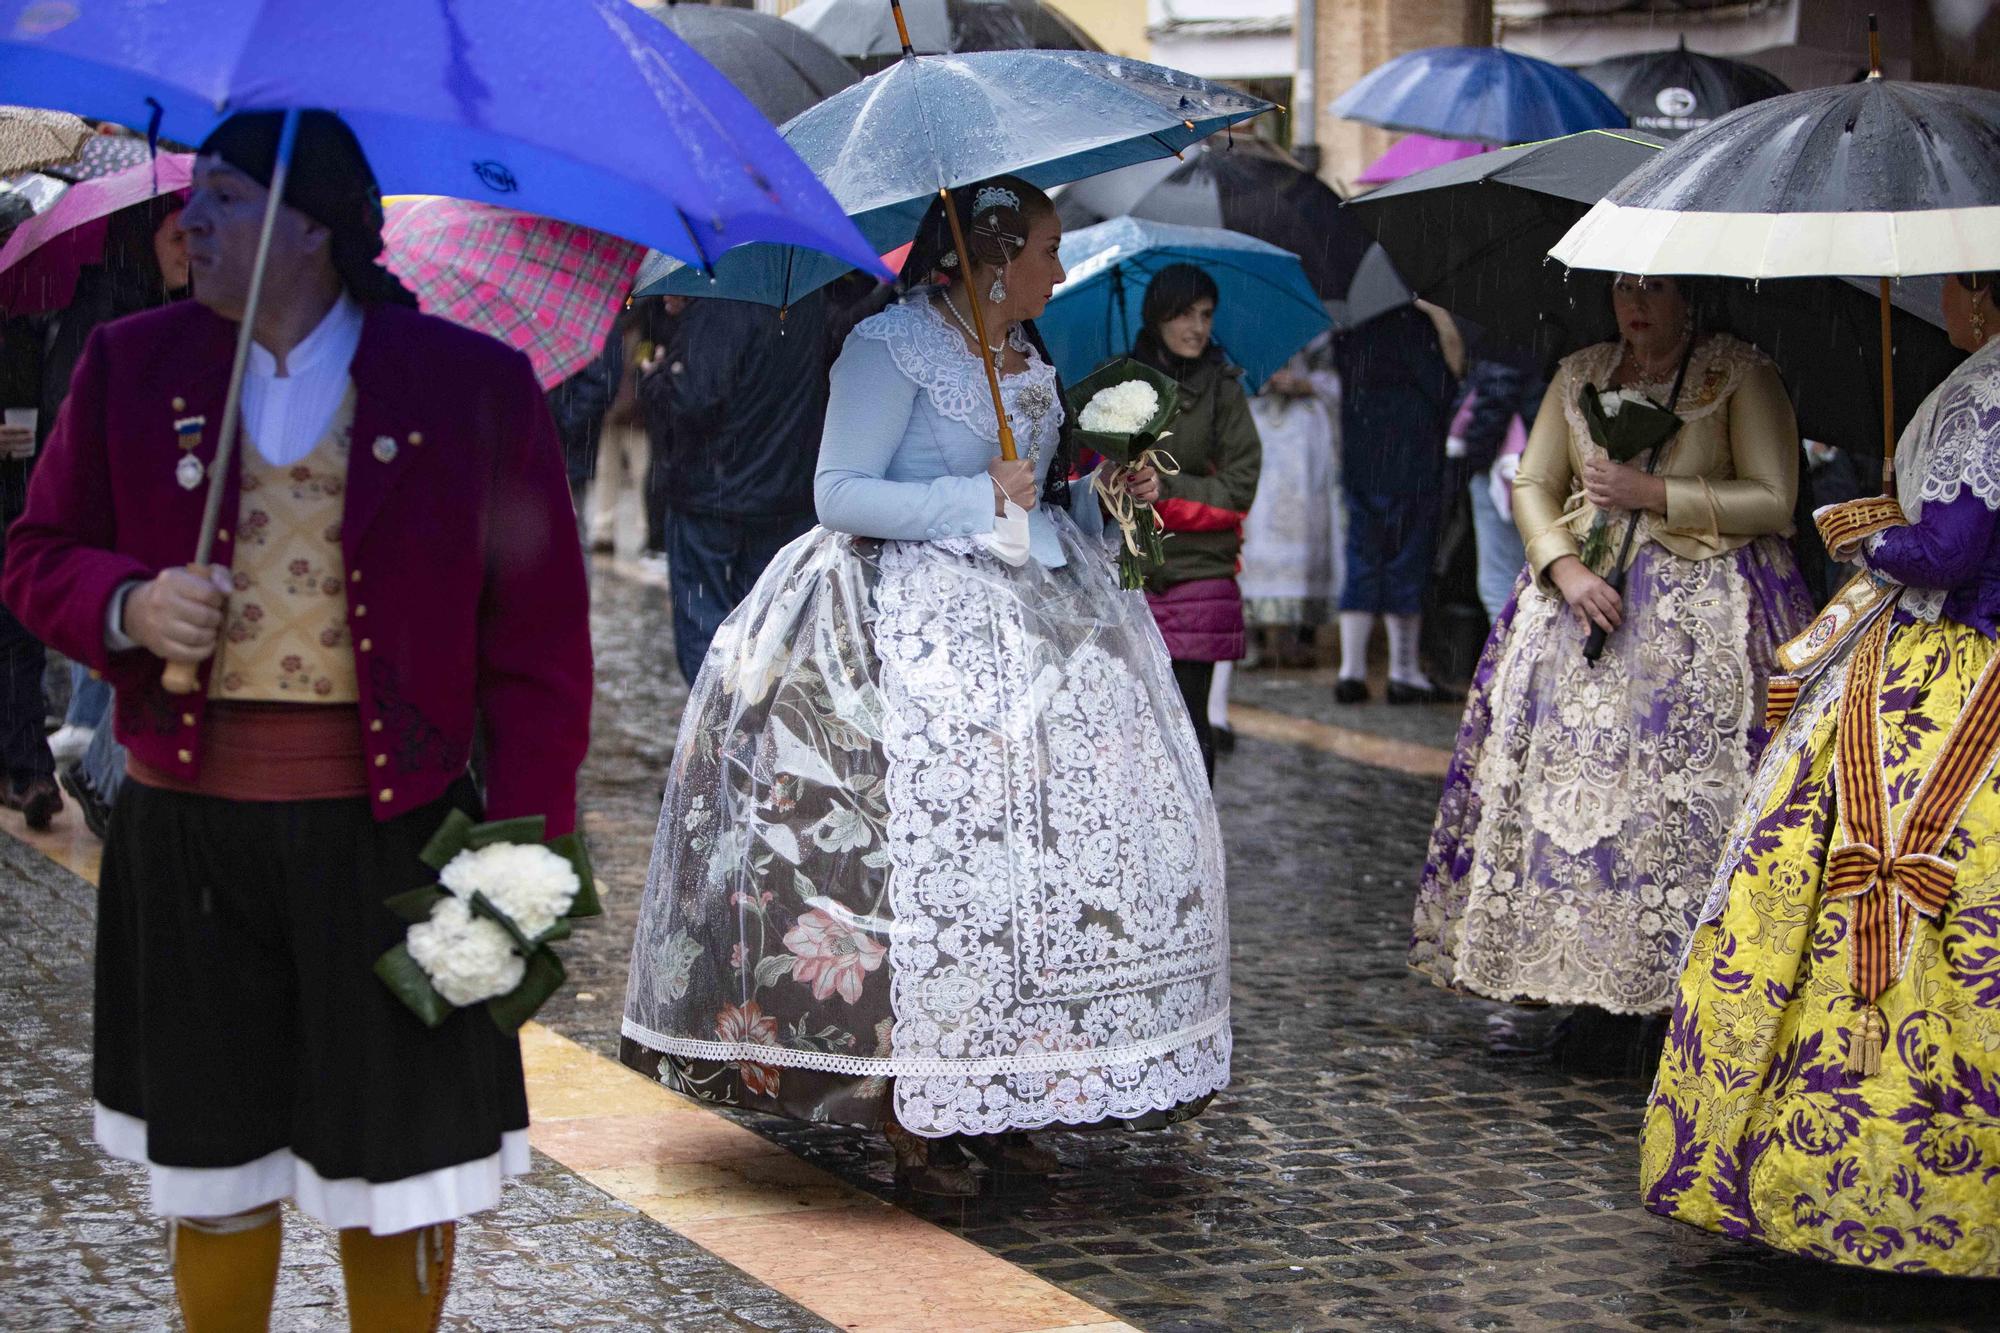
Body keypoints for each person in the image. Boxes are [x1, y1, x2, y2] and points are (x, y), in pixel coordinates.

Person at [1, 111, 591, 1329]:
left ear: (308, 228)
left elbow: (538, 654)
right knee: (214, 1177)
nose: (187, 224)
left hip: (389, 844)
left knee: (402, 1179)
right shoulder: (133, 363)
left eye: (220, 199)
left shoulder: (468, 387)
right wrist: (125, 602)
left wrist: (521, 857)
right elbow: (34, 557)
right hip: (189, 845)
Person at [620, 177, 1230, 1198]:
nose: (1057, 267)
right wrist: (969, 494)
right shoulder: (888, 345)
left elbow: (1033, 493)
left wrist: (1092, 493)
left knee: (1030, 871)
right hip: (900, 625)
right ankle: (913, 1102)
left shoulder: (1025, 353)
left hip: (1034, 621)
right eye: (1044, 248)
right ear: (991, 258)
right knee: (925, 866)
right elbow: (837, 491)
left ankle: (1009, 1086)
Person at [1641, 272, 2000, 1275]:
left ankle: (1867, 1174)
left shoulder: (1983, 391)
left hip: (1951, 676)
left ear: (1978, 294)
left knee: (1858, 888)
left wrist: (1859, 522)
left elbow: (1946, 552)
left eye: (1957, 290)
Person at [1410, 275, 1813, 1067]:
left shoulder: (1738, 373)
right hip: (1579, 621)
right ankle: (1583, 990)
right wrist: (1564, 568)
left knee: (1668, 808)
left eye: (1655, 288)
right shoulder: (1581, 371)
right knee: (1579, 811)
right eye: (1625, 286)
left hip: (1700, 634)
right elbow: (1533, 482)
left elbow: (1774, 497)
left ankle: (1674, 994)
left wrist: (1657, 491)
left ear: (1690, 295)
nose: (1635, 303)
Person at [39, 196, 194, 836]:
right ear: (144, 237)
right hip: (119, 509)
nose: (192, 249)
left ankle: (100, 766)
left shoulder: (170, 307)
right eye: (179, 235)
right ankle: (102, 770)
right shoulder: (115, 323)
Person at [642, 289, 829, 686]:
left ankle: (718, 728)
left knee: (706, 626)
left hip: (713, 491)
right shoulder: (807, 296)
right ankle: (749, 725)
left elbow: (693, 399)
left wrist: (658, 375)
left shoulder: (720, 304)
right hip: (782, 488)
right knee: (763, 627)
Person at [1125, 264, 1261, 780]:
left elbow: (1239, 487)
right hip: (1130, 571)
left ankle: (1196, 845)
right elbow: (1082, 472)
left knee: (1187, 721)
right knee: (1129, 723)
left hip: (1198, 573)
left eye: (1205, 315)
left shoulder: (1224, 390)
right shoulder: (1120, 382)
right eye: (1184, 314)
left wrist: (1168, 490)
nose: (1197, 328)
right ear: (1157, 317)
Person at [1331, 303, 1462, 704]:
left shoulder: (1350, 325)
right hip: (1411, 459)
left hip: (1362, 457)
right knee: (1407, 559)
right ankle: (1402, 672)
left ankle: (1350, 671)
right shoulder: (1413, 323)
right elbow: (1441, 387)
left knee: (1363, 556)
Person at [1241, 334, 1341, 683]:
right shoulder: (1235, 328)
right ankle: (1249, 635)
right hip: (1257, 430)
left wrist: (1303, 384)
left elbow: (1335, 380)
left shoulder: (1314, 335)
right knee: (1254, 529)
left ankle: (1288, 635)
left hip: (1300, 440)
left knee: (1299, 531)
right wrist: (1255, 379)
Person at [1453, 356, 1541, 623]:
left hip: (1508, 468)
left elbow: (1497, 391)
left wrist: (1476, 456)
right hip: (1534, 465)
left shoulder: (1514, 340)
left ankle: (1505, 660)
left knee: (1501, 584)